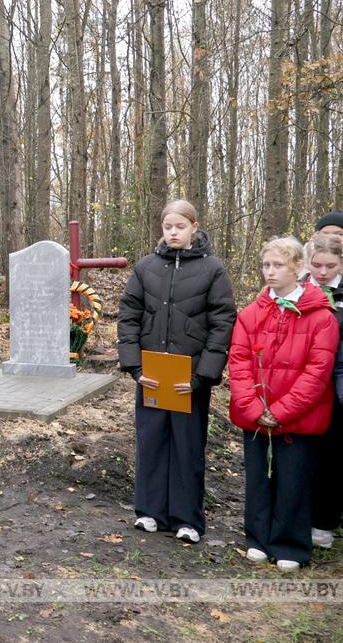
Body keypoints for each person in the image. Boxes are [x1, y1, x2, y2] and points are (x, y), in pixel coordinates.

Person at [118, 200, 236, 544]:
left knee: (187, 446)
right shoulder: (146, 267)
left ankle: (187, 519)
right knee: (152, 442)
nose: (173, 232)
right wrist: (135, 366)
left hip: (190, 378)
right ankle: (150, 512)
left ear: (194, 227)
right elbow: (129, 316)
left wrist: (203, 375)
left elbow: (222, 322)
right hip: (152, 374)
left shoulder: (212, 269)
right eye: (167, 226)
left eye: (179, 227)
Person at [228, 236, 338, 571]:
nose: (270, 272)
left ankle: (290, 543)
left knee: (293, 481)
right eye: (266, 265)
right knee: (259, 478)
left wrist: (280, 411)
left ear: (298, 268)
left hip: (298, 418)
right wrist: (253, 407)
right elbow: (239, 361)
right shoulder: (251, 314)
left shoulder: (322, 317)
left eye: (278, 265)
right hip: (256, 416)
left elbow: (317, 372)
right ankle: (258, 538)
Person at [302, 232, 343, 549]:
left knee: (332, 456)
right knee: (303, 455)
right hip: (303, 385)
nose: (323, 272)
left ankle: (325, 523)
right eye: (317, 265)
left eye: (330, 266)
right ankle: (297, 515)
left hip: (337, 384)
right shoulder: (299, 288)